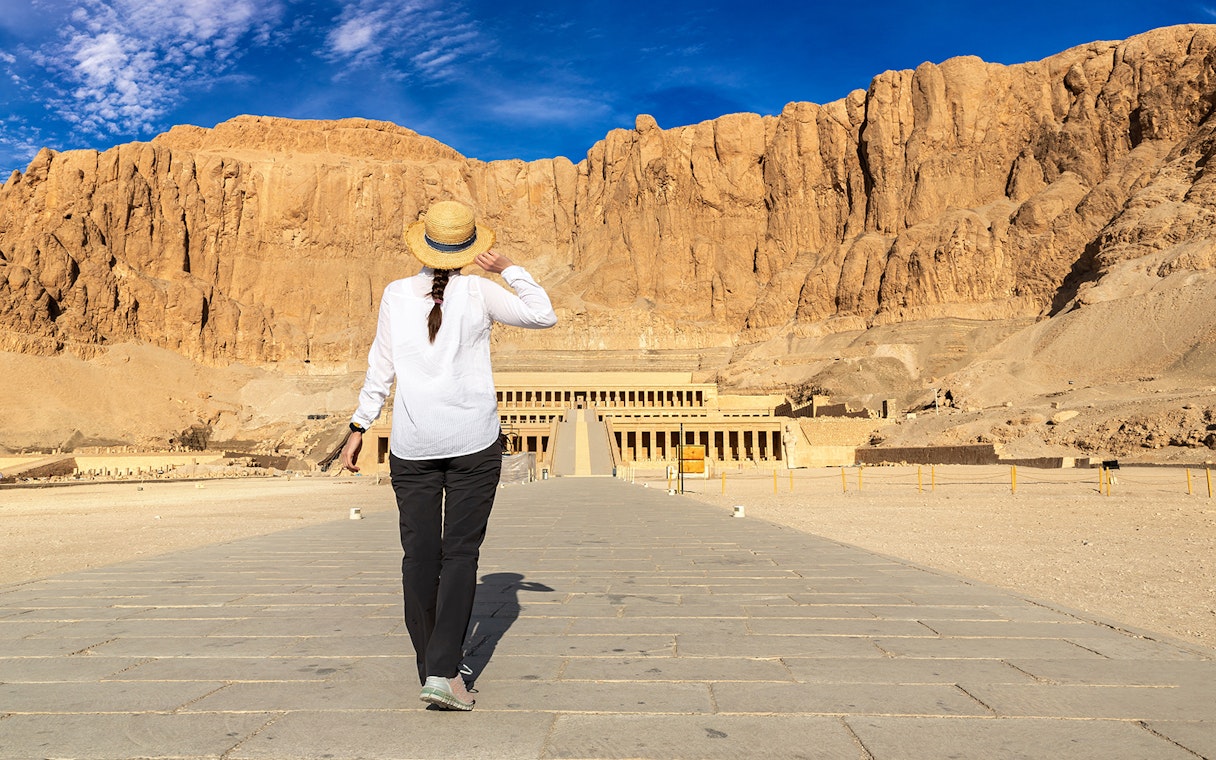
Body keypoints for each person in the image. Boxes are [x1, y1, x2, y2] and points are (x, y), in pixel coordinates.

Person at [339, 200, 557, 711]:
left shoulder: (395, 294)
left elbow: (381, 368)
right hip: (473, 443)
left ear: (424, 244)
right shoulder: (481, 289)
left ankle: (433, 669)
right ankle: (444, 673)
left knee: (419, 556)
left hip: (412, 446)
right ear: (467, 248)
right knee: (460, 556)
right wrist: (510, 269)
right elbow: (542, 314)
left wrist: (359, 426)